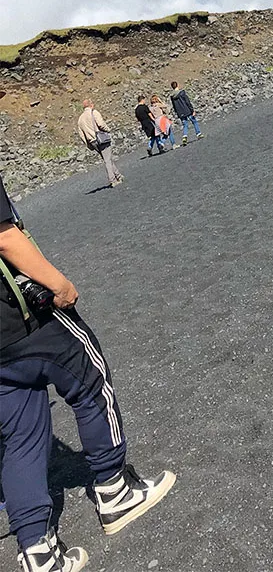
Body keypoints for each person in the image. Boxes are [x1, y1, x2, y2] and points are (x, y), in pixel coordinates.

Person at [0, 174, 176, 571]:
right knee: (92, 382)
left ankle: (38, 553)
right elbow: (4, 236)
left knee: (21, 436)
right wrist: (59, 284)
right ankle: (115, 490)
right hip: (22, 318)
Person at [76, 99, 123, 188]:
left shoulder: (80, 119)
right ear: (91, 105)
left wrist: (88, 144)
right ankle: (112, 180)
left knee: (106, 158)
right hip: (101, 138)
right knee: (107, 159)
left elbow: (81, 135)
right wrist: (108, 130)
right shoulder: (94, 113)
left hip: (92, 141)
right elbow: (101, 124)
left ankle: (118, 175)